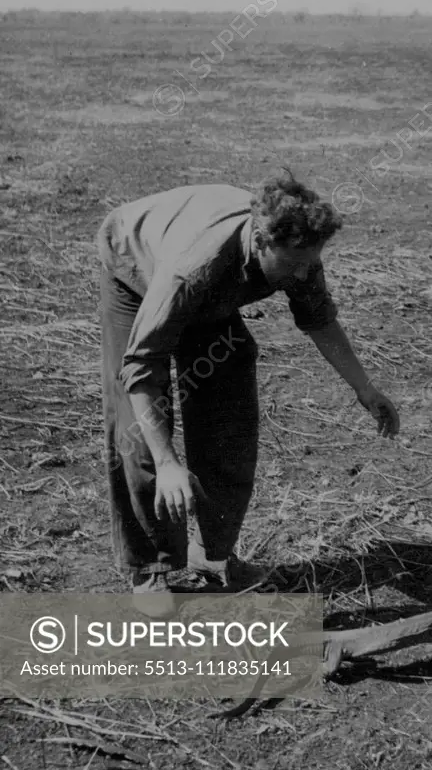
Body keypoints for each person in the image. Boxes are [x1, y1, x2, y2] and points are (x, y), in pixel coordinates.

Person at [96, 174, 399, 615]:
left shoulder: (299, 249)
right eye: (293, 263)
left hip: (210, 291)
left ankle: (212, 552)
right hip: (134, 266)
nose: (302, 273)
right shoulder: (193, 267)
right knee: (137, 425)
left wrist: (364, 388)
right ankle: (150, 567)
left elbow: (319, 320)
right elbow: (142, 367)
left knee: (230, 409)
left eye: (309, 262)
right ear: (259, 241)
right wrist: (167, 463)